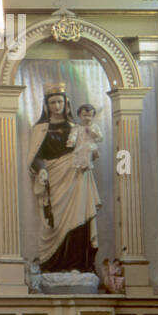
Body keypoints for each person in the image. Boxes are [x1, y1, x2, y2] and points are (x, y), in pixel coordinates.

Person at [28, 85, 100, 274]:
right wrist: (42, 170)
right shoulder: (40, 129)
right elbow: (35, 156)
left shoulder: (77, 128)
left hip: (76, 176)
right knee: (55, 222)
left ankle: (77, 265)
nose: (56, 105)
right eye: (52, 102)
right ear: (46, 105)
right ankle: (52, 265)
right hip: (54, 178)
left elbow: (90, 148)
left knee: (78, 217)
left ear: (66, 103)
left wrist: (91, 151)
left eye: (60, 101)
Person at [66, 103, 103, 172]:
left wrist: (93, 134)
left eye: (90, 116)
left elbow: (100, 138)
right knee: (78, 153)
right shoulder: (77, 127)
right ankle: (82, 166)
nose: (87, 118)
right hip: (80, 145)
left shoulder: (95, 127)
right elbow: (73, 135)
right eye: (84, 115)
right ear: (79, 115)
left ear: (93, 116)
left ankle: (87, 164)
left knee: (88, 148)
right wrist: (71, 141)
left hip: (91, 145)